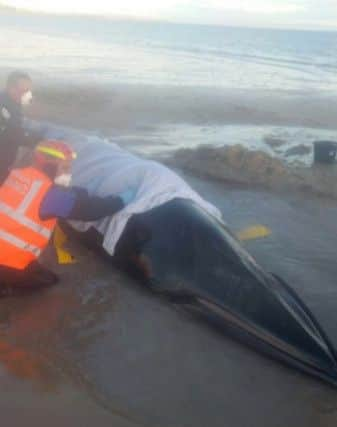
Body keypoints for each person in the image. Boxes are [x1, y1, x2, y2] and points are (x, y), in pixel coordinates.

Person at [0, 139, 130, 296]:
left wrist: (76, 191)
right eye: (65, 167)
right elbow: (90, 210)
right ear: (50, 165)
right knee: (50, 281)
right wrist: (120, 201)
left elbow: (64, 195)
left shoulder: (15, 174)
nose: (68, 172)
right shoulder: (51, 195)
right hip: (5, 264)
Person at [0, 71, 34, 183]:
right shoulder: (4, 107)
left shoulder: (14, 105)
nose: (27, 94)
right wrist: (35, 140)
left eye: (28, 90)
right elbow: (10, 133)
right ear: (11, 88)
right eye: (23, 90)